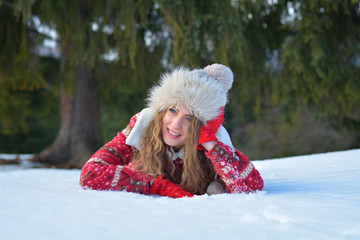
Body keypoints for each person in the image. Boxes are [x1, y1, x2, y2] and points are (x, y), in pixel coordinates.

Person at [79, 64, 264, 198]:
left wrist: (209, 143)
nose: (176, 124)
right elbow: (90, 173)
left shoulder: (215, 141)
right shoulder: (144, 124)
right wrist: (156, 185)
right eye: (173, 110)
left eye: (189, 118)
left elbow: (250, 188)